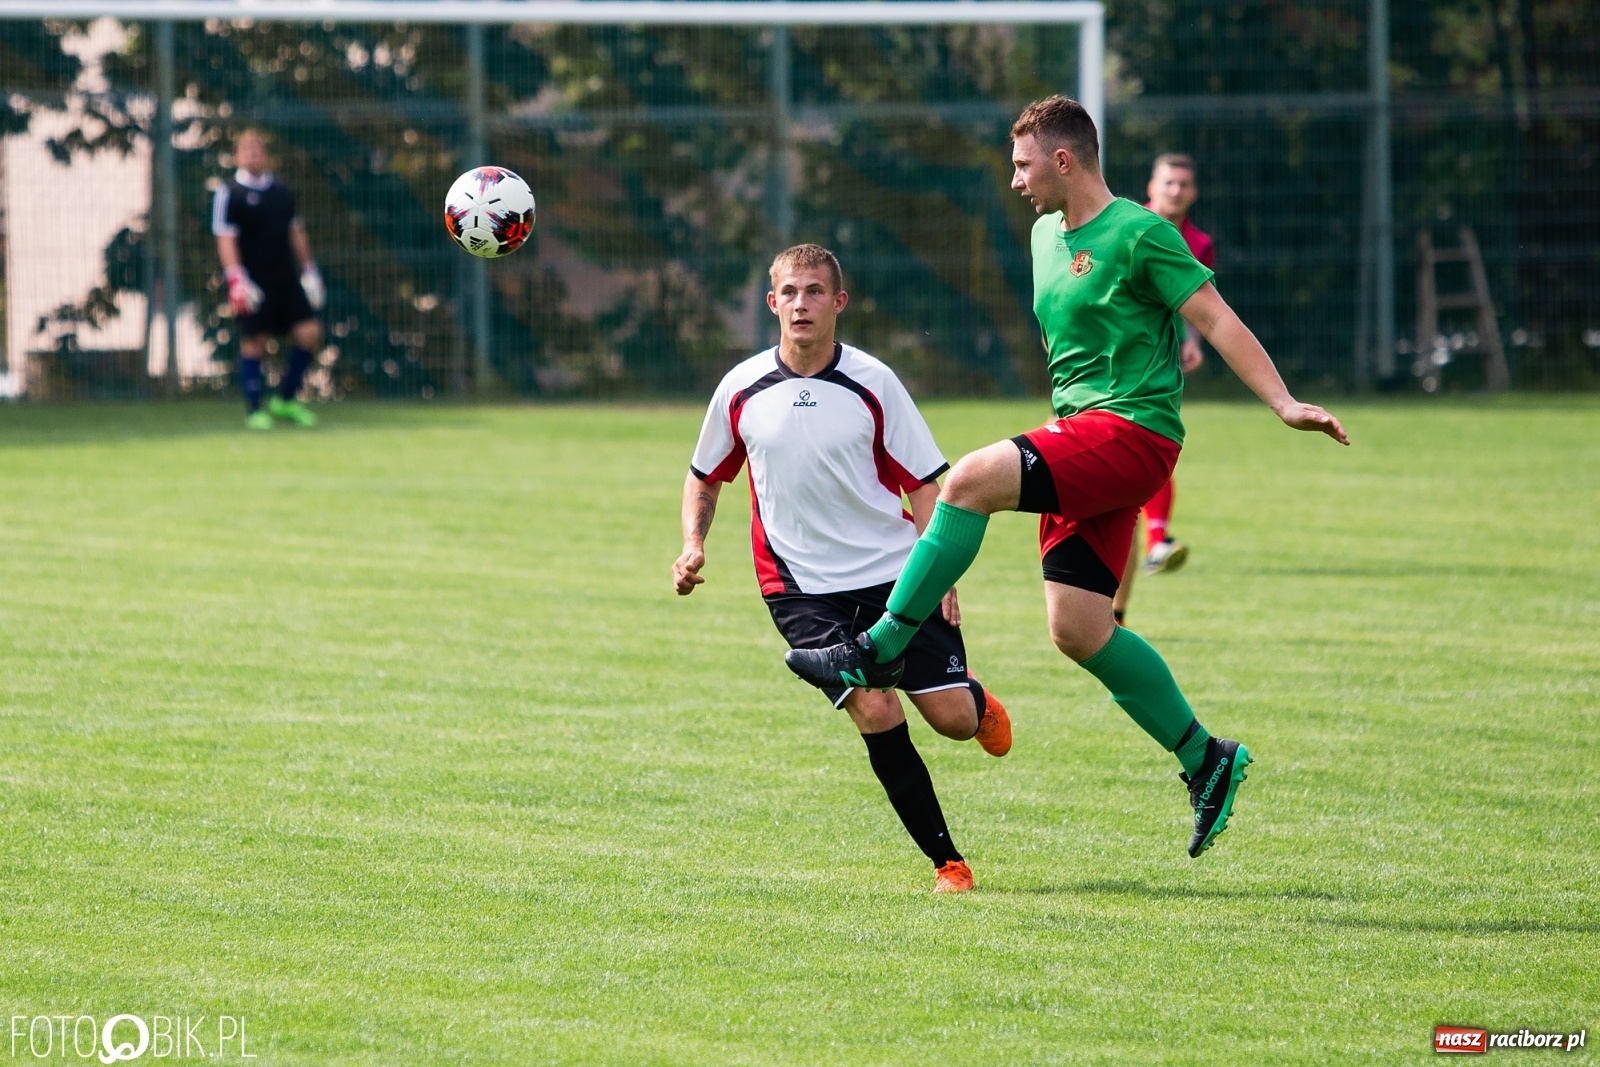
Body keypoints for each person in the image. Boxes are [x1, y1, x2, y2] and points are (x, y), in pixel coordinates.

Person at [784, 98, 1348, 859]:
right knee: (1078, 629)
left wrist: (1282, 401)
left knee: (967, 481)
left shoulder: (1143, 232)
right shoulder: (1045, 236)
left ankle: (879, 644)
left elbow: (1215, 318)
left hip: (1133, 432)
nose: (1014, 180)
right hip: (1085, 433)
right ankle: (1205, 757)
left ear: (1063, 160)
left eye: (1022, 165)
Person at [673, 244, 1012, 894]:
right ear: (772, 303)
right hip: (799, 590)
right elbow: (705, 477)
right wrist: (694, 544)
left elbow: (924, 487)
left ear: (839, 302)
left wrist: (940, 573)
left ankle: (974, 700)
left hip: (896, 578)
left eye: (815, 292)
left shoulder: (873, 382)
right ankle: (950, 864)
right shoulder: (741, 389)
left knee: (953, 722)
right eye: (790, 292)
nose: (802, 304)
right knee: (875, 706)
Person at [1112, 152, 1213, 622]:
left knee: (1146, 449)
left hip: (1155, 367)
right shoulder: (1125, 227)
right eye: (1168, 182)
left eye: (1184, 184)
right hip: (1107, 364)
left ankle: (1148, 552)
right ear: (1151, 186)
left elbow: (1195, 302)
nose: (1176, 191)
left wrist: (1191, 341)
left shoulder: (1197, 242)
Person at [212, 129, 326, 431]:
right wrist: (236, 278)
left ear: (265, 154)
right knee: (254, 341)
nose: (252, 153)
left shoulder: (281, 191)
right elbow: (225, 238)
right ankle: (254, 410)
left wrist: (309, 271)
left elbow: (295, 231)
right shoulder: (230, 193)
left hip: (284, 277)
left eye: (257, 148)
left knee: (309, 331)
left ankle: (286, 399)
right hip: (253, 281)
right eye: (246, 149)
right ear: (237, 155)